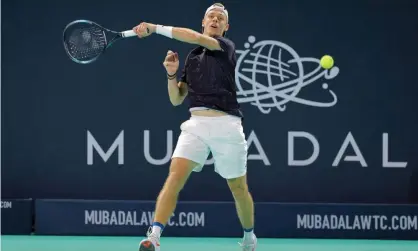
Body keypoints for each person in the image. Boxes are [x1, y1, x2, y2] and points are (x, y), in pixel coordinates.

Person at [133, 3, 257, 251]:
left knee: (238, 187)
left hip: (227, 124)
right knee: (175, 175)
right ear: (204, 21)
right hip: (196, 124)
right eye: (211, 16)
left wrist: (155, 28)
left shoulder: (225, 46)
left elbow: (192, 37)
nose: (215, 19)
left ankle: (249, 237)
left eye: (220, 18)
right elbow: (177, 98)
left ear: (226, 26)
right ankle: (154, 236)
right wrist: (171, 74)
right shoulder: (191, 58)